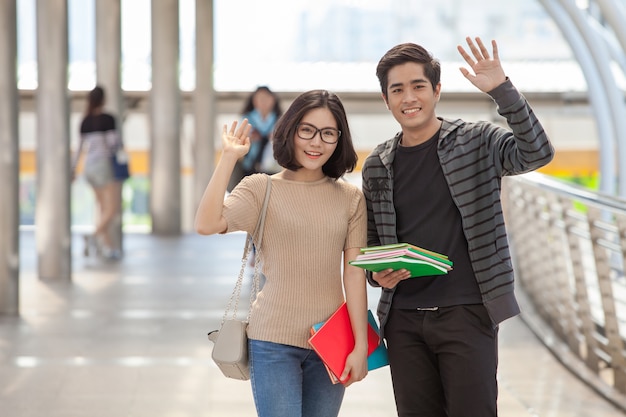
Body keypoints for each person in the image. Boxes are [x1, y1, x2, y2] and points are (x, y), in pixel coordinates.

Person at [361, 37, 555, 417]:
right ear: (386, 100)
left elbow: (537, 153)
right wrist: (377, 275)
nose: (408, 98)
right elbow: (372, 242)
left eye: (418, 86)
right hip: (403, 320)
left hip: (468, 313)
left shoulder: (477, 140)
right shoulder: (377, 164)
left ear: (436, 90)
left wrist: (503, 90)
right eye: (396, 90)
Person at [195, 89, 369, 417]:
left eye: (328, 133)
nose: (316, 142)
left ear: (339, 140)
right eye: (307, 130)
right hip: (272, 341)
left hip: (331, 342)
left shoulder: (350, 198)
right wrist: (229, 157)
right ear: (290, 130)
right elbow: (206, 223)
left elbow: (355, 273)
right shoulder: (261, 188)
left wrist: (360, 345)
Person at [71, 85, 123, 260]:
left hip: (88, 167)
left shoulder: (85, 121)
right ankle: (93, 236)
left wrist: (73, 169)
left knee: (102, 208)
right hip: (103, 166)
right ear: (104, 99)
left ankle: (109, 248)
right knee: (112, 209)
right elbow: (113, 144)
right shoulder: (108, 119)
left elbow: (79, 149)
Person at [229, 86, 283, 191]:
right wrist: (249, 138)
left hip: (271, 166)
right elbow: (237, 140)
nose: (264, 102)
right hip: (250, 165)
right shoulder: (246, 119)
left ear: (273, 100)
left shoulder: (280, 120)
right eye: (260, 98)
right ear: (254, 101)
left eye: (267, 98)